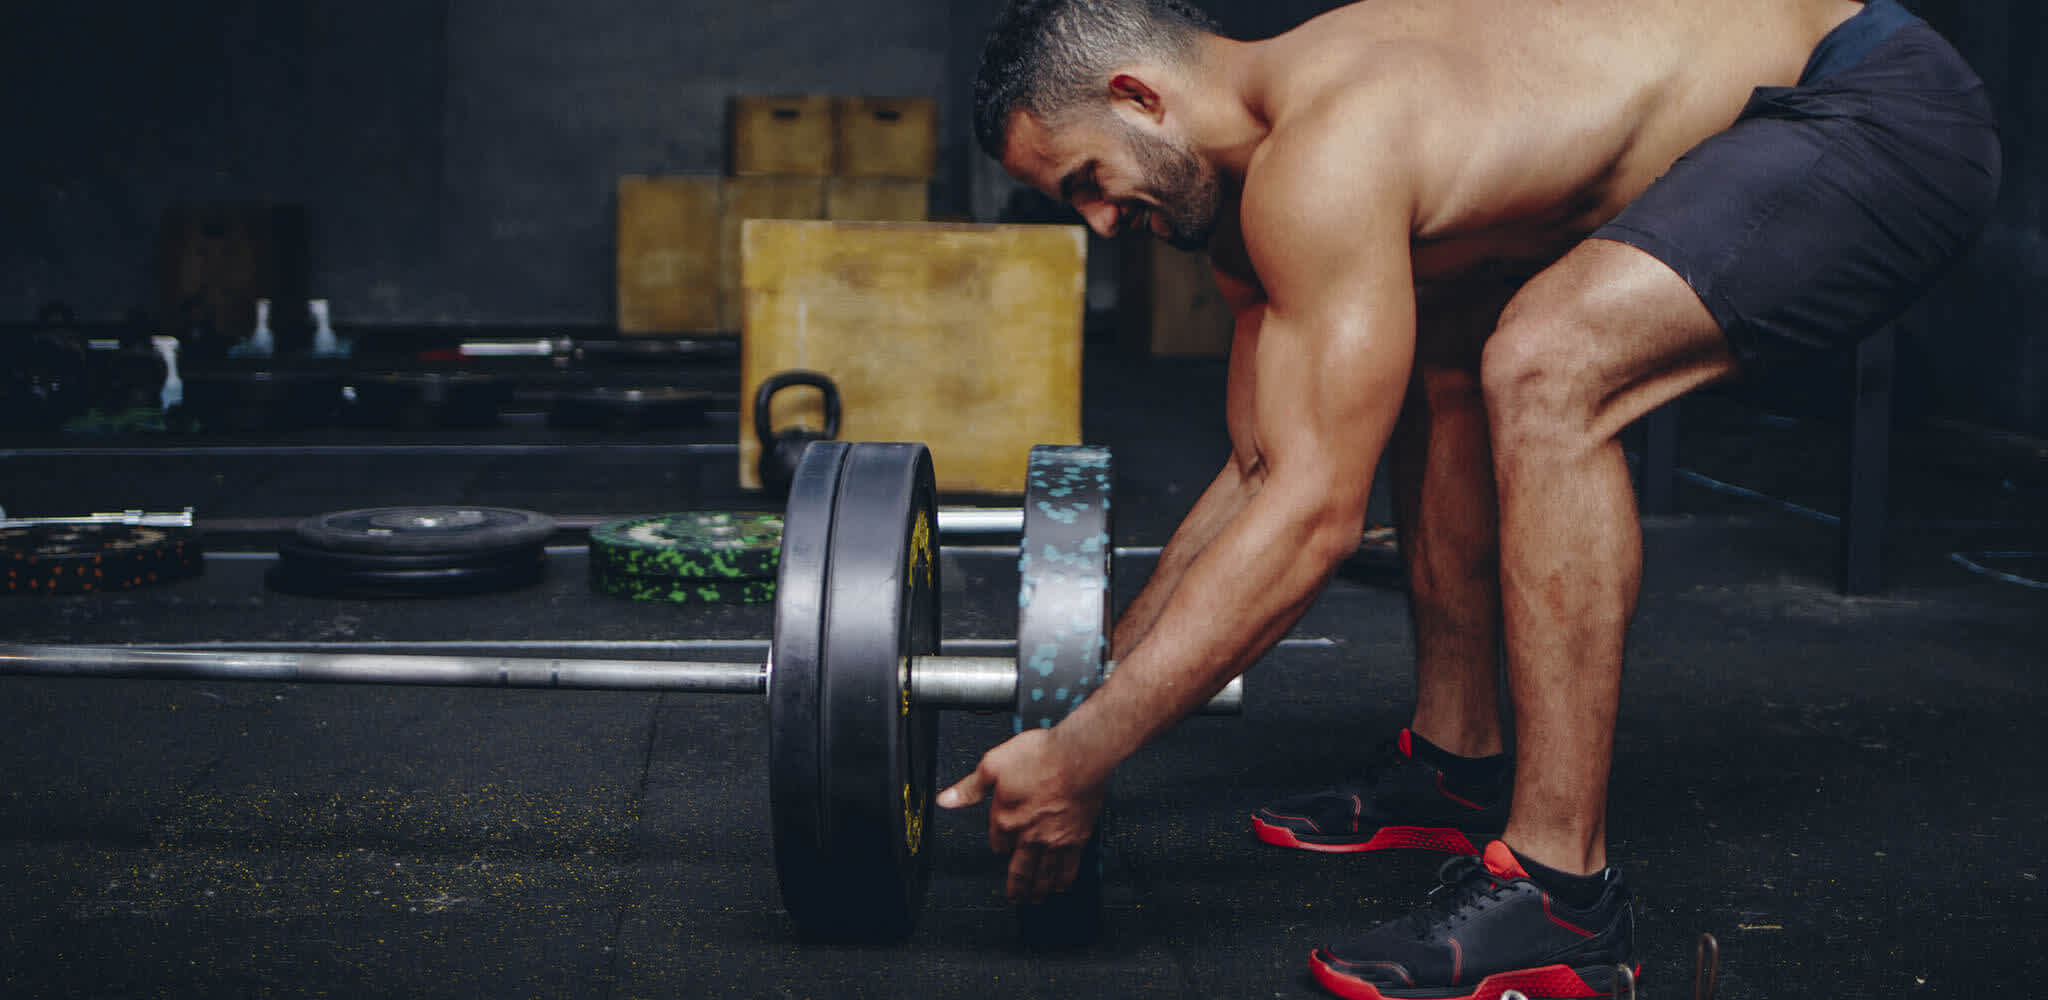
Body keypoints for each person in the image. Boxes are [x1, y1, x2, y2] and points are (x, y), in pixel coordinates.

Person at [937, 0, 1999, 995]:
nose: (1102, 222)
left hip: (1870, 105)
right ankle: (1455, 762)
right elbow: (1267, 466)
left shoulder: (1328, 149)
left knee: (1546, 363)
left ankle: (1561, 897)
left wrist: (1083, 757)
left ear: (1137, 96)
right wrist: (1091, 700)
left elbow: (1311, 519)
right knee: (1435, 350)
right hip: (1789, 115)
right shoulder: (1245, 207)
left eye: (1086, 180)